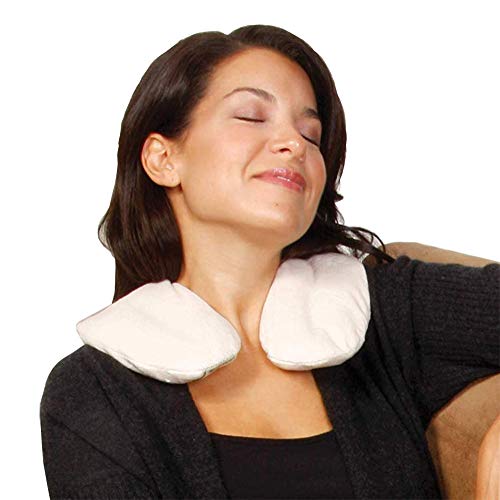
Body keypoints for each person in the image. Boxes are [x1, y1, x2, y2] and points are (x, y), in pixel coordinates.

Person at [39, 24, 499, 499]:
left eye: (311, 134)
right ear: (163, 159)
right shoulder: (94, 392)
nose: (294, 144)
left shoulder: (386, 313)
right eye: (251, 116)